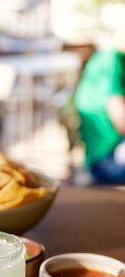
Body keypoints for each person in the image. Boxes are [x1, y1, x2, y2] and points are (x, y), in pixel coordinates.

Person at [74, 28, 125, 184]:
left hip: (98, 156)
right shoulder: (114, 60)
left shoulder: (103, 56)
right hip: (106, 160)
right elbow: (119, 114)